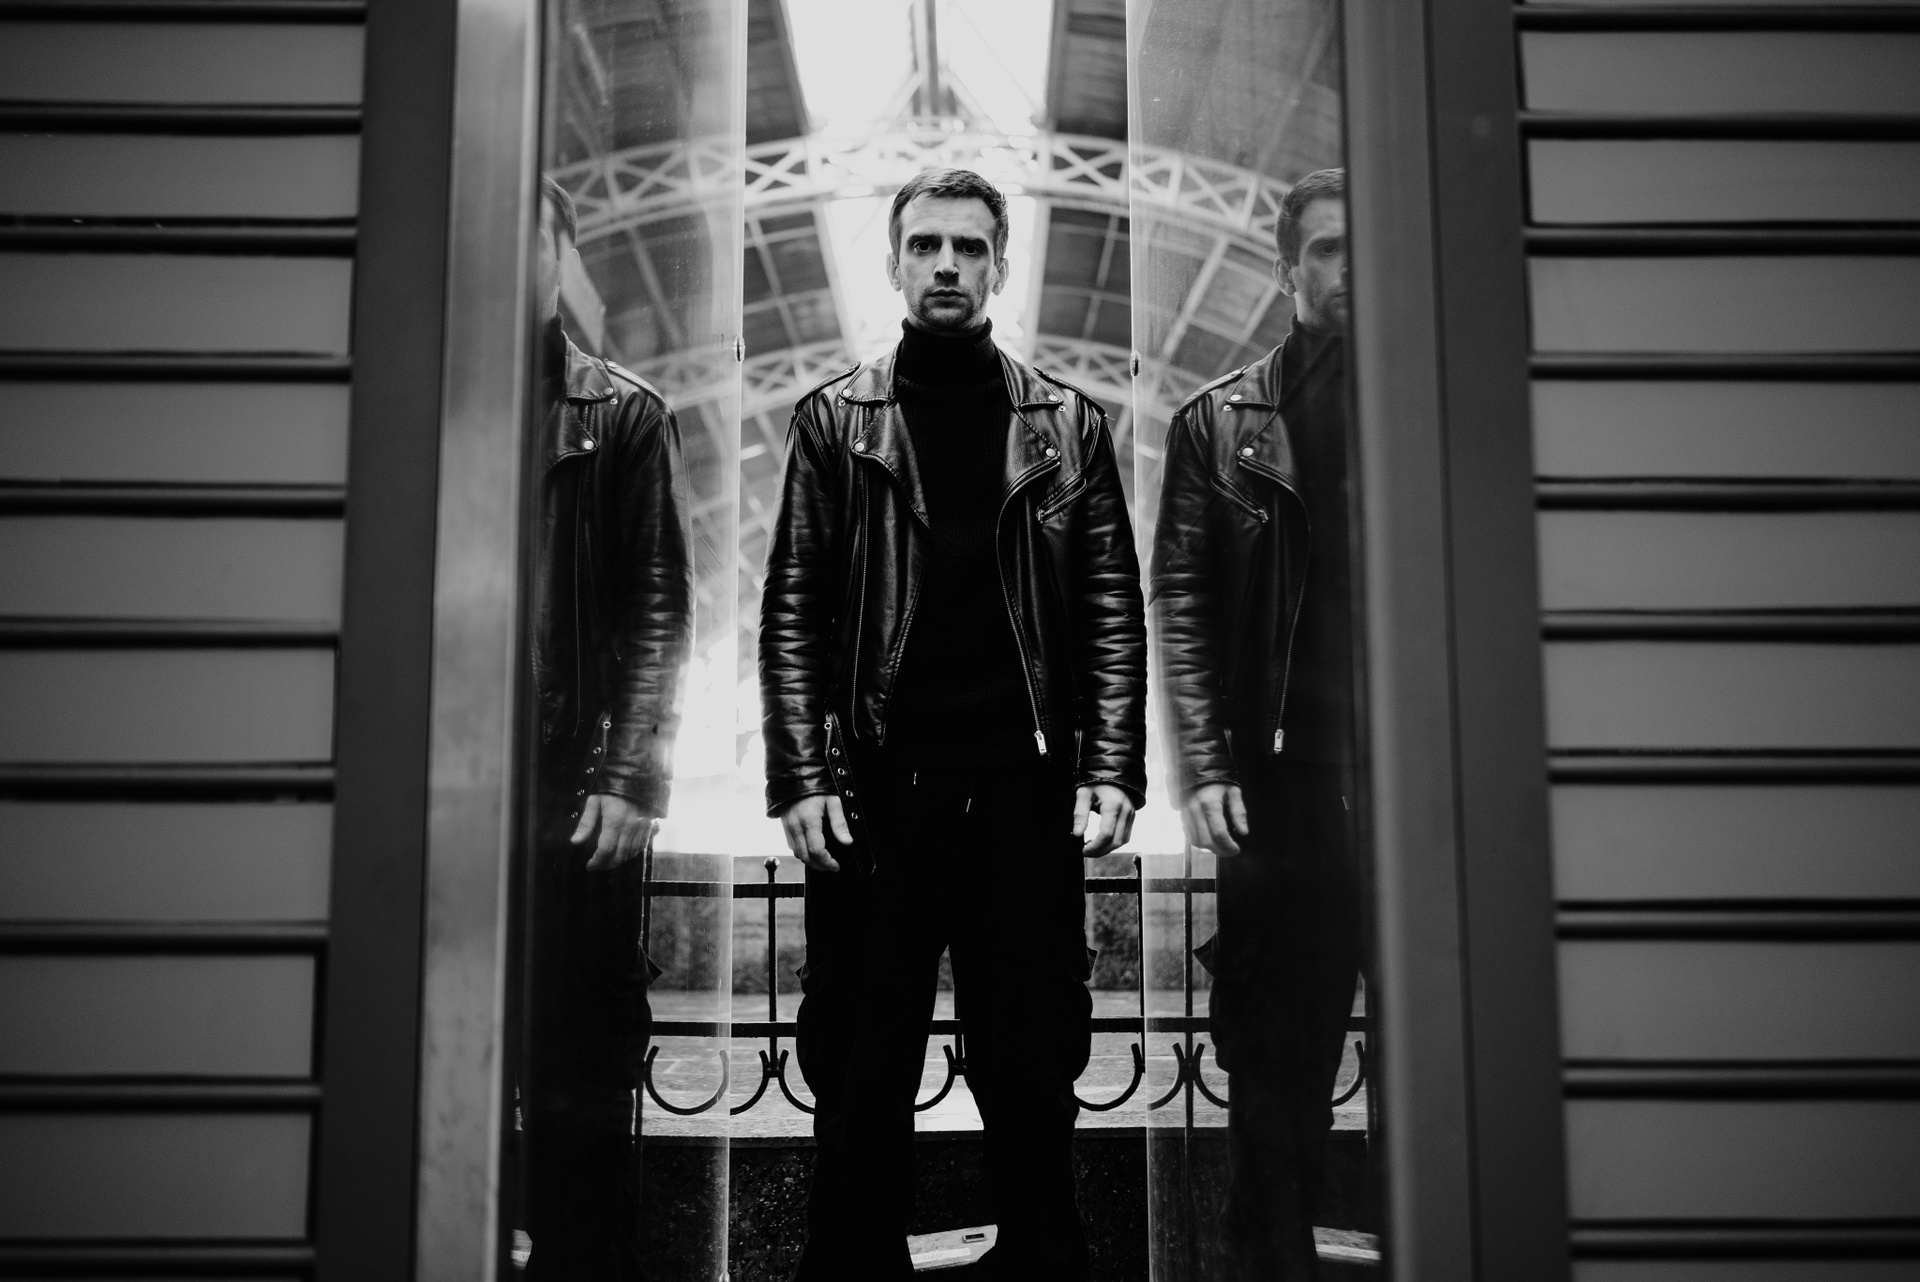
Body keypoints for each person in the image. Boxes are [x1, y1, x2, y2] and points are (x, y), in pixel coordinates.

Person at [759, 167, 1146, 1280]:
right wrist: (802, 773)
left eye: (968, 248)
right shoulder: (836, 421)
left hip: (1022, 798)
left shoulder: (1066, 424)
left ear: (1000, 267)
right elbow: (793, 609)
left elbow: (1110, 606)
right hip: (877, 800)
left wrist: (1113, 765)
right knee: (861, 1066)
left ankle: (1043, 1261)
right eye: (925, 245)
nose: (945, 265)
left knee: (1031, 1064)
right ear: (893, 265)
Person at [1149, 167, 1363, 1280]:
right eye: (1327, 247)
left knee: (1433, 1020)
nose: (1351, 265)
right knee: (1274, 1036)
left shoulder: (1435, 402)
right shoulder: (1219, 423)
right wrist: (1202, 765)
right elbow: (1180, 602)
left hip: (1414, 775)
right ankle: (1270, 1247)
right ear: (1287, 271)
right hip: (1282, 781)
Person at [518, 175, 694, 1281]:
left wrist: (631, 776)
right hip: (448, 789)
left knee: (579, 1063)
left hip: (572, 792)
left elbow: (658, 610)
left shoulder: (621, 415)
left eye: (530, 235)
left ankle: (577, 1261)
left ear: (560, 258)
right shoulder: (419, 396)